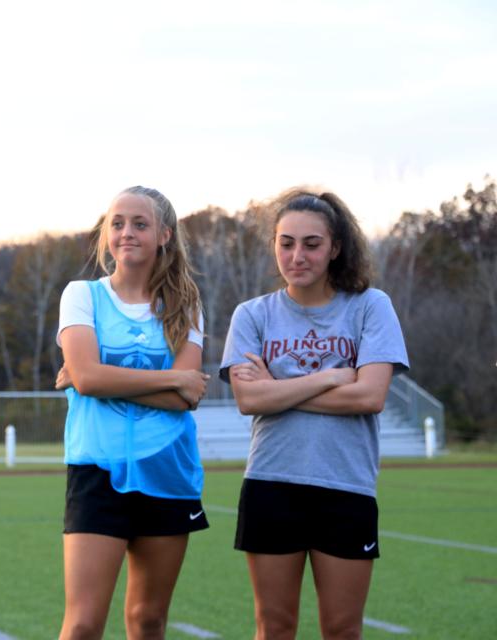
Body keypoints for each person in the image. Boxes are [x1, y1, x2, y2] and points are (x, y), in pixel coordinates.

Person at [220, 188, 409, 640]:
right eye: (286, 243)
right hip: (272, 484)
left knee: (343, 629)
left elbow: (369, 397)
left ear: (335, 248)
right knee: (274, 626)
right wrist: (328, 378)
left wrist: (276, 388)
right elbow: (249, 401)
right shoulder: (253, 315)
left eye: (311, 244)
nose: (297, 255)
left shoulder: (370, 306)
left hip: (345, 486)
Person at [55, 186, 211, 639]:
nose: (126, 232)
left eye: (139, 224)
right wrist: (169, 378)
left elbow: (187, 398)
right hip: (96, 471)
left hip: (168, 471)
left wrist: (101, 378)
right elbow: (87, 378)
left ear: (164, 234)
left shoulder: (187, 303)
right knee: (83, 624)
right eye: (117, 223)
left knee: (148, 620)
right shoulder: (81, 295)